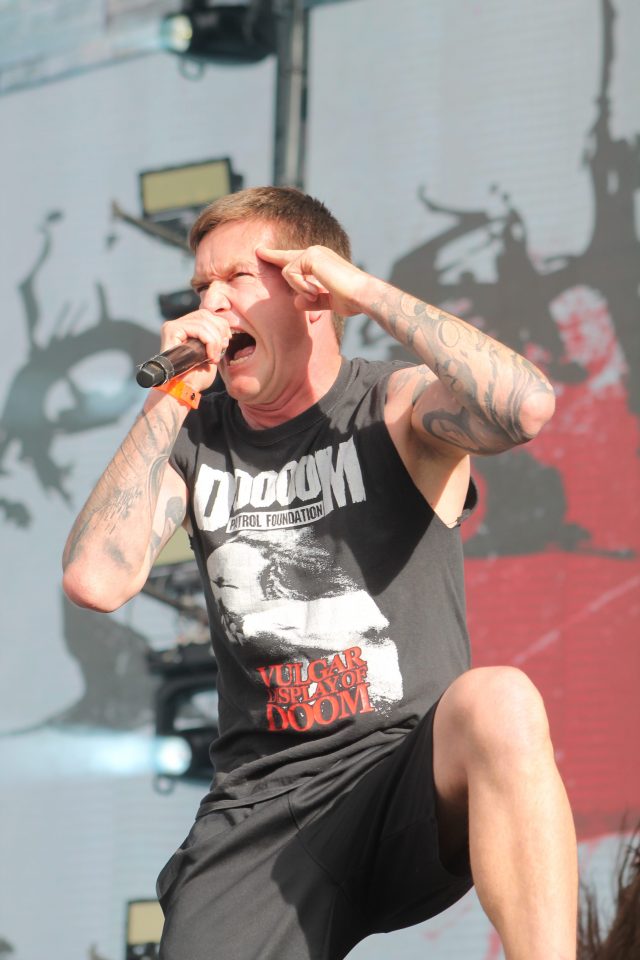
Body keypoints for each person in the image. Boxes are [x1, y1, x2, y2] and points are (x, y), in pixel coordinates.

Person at [62, 186, 577, 960]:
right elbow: (96, 581)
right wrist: (173, 392)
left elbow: (525, 408)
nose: (210, 302)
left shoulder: (392, 404)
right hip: (264, 810)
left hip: (403, 777)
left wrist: (361, 291)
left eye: (236, 278)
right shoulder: (196, 434)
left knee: (500, 699)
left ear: (309, 288)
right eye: (201, 286)